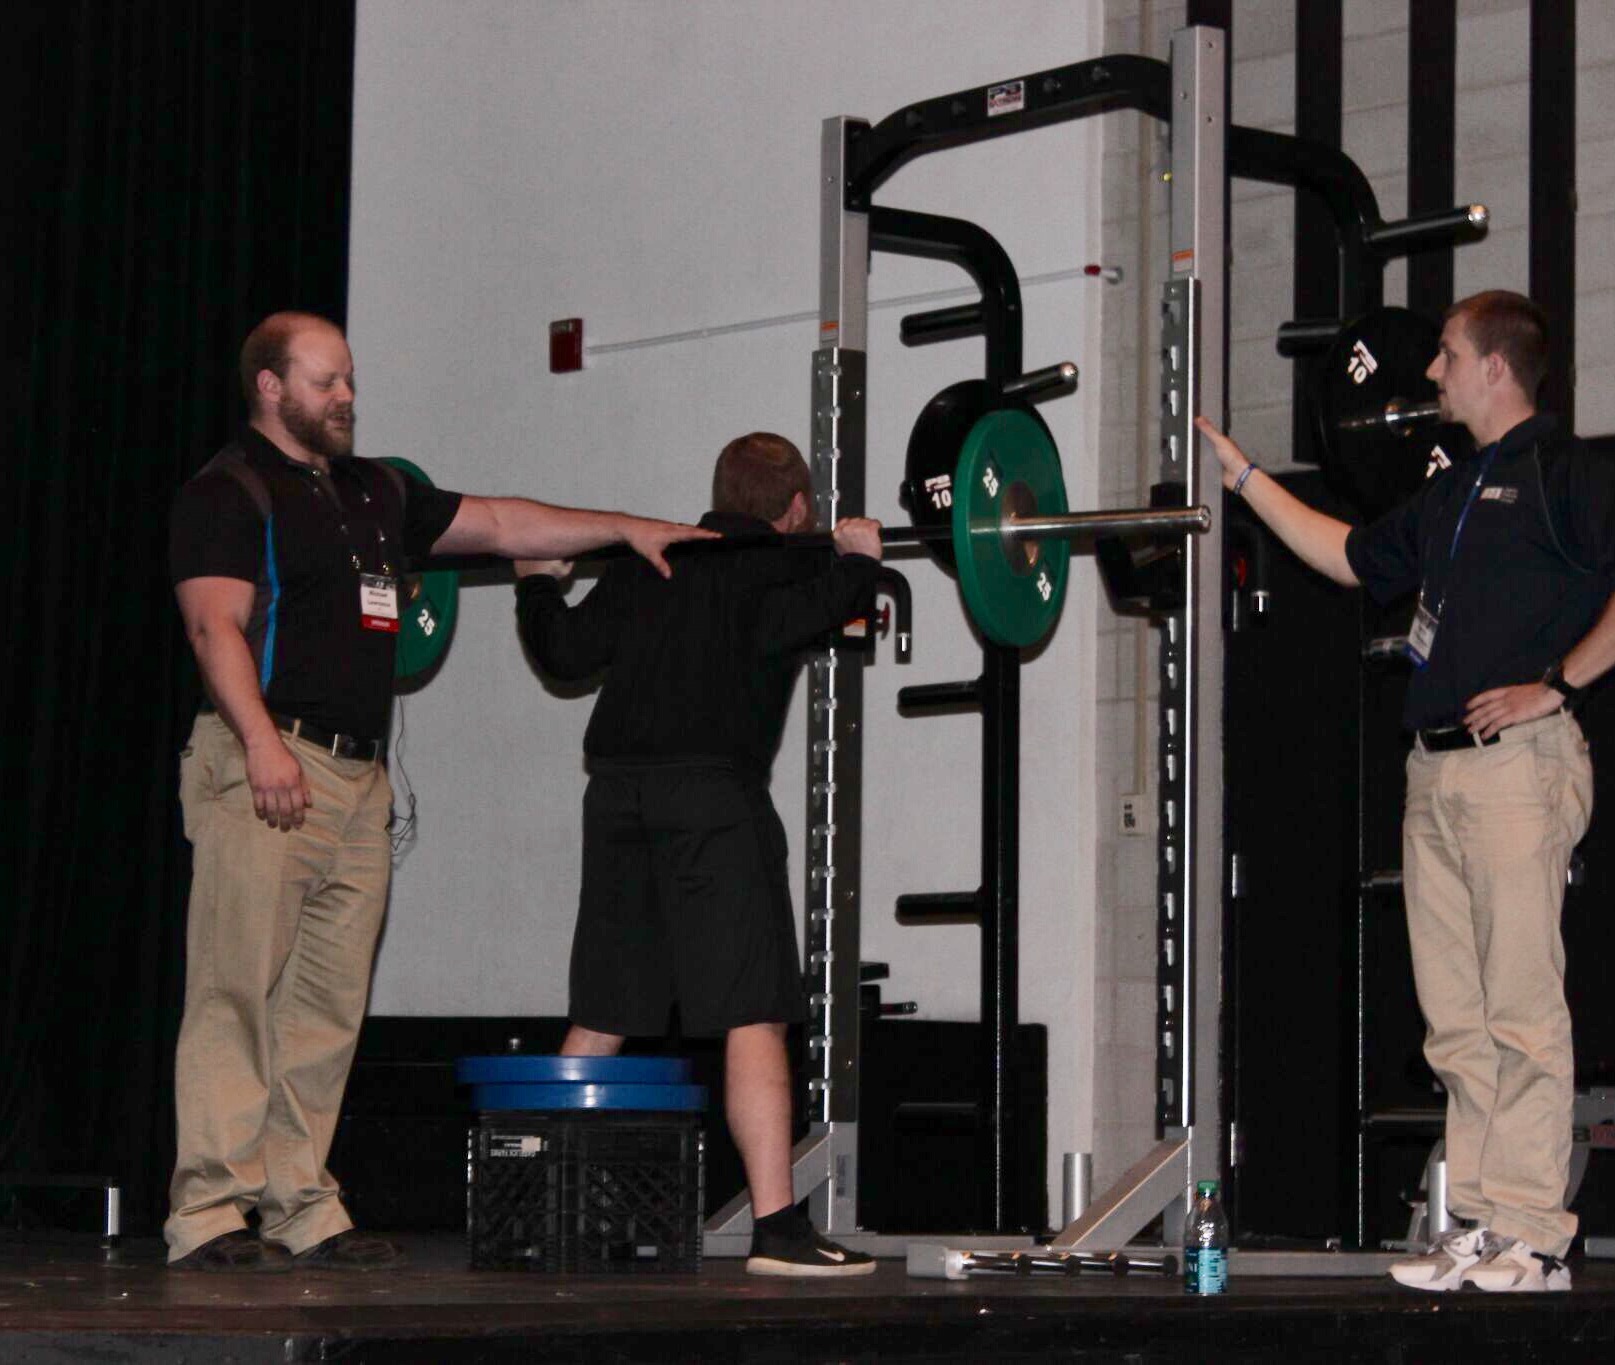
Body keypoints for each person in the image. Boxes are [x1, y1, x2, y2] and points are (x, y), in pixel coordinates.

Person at [165, 310, 714, 1272]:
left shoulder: (375, 491)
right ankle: (209, 1212)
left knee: (325, 1009)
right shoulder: (229, 491)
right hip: (266, 762)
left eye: (349, 381)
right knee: (235, 994)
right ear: (270, 388)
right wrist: (261, 745)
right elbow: (216, 629)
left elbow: (502, 524)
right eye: (325, 382)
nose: (345, 397)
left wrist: (628, 528)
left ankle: (299, 1202)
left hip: (356, 780)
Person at [1198, 290, 1615, 1293]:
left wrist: (1555, 683)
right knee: (1455, 1017)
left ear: (1494, 369)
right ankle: (1476, 1218)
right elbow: (1345, 556)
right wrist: (1245, 479)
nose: (1428, 374)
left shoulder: (1564, 472)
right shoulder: (1453, 491)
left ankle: (1532, 1233)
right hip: (1432, 772)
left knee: (1520, 1006)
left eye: (1443, 356)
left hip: (1518, 769)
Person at [515, 431, 882, 1277]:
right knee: (750, 1009)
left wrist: (535, 586)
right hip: (712, 799)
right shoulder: (786, 564)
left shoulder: (652, 557)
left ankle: (526, 1201)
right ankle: (778, 1231)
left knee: (605, 1008)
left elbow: (563, 654)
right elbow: (834, 606)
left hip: (614, 798)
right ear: (795, 509)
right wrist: (859, 554)